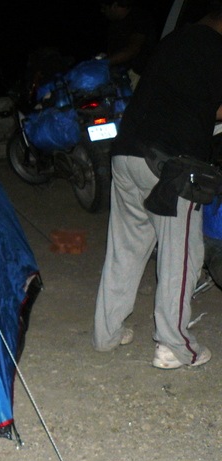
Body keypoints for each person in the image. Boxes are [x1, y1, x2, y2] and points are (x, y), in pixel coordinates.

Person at [92, 4, 222, 369]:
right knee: (182, 254)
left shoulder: (173, 42)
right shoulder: (215, 49)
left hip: (127, 152)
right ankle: (175, 345)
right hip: (171, 166)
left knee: (125, 249)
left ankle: (107, 333)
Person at [99, 0, 158, 89]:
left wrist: (104, 62)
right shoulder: (115, 24)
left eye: (104, 8)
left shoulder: (139, 18)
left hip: (138, 76)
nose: (102, 11)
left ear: (114, 5)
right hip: (120, 76)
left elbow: (133, 49)